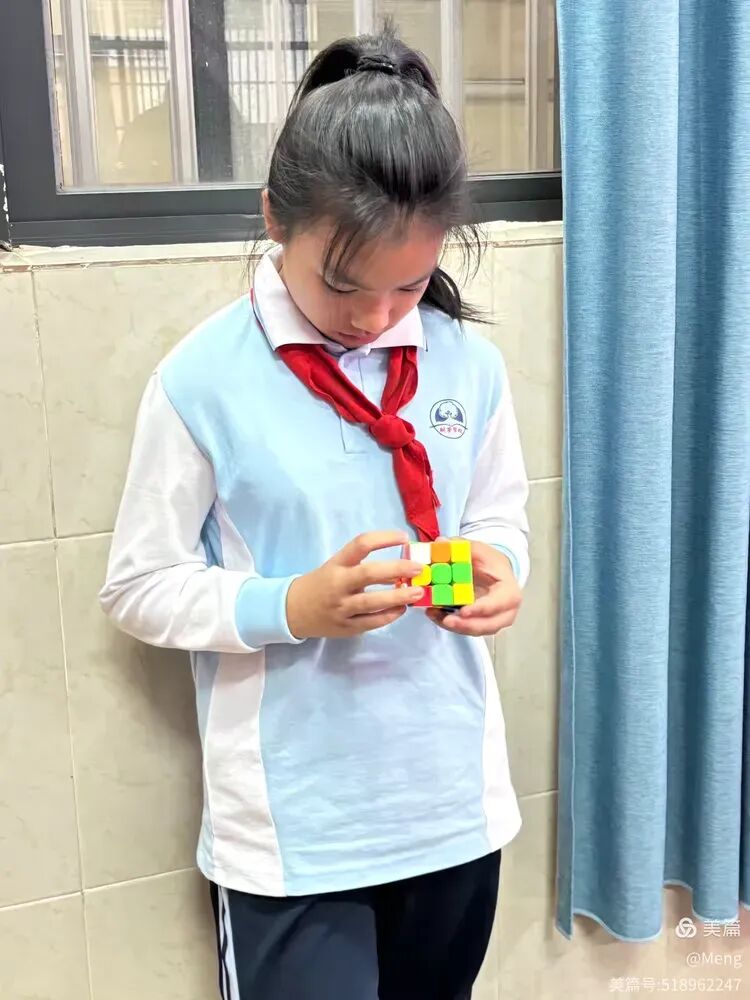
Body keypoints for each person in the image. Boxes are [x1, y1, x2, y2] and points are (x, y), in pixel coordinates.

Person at [100, 22, 530, 1000]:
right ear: (273, 218)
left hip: (452, 808)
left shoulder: (469, 364)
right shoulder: (201, 380)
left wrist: (503, 569)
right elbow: (138, 584)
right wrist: (292, 606)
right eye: (343, 283)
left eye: (409, 285)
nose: (374, 318)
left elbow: (500, 518)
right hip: (294, 837)